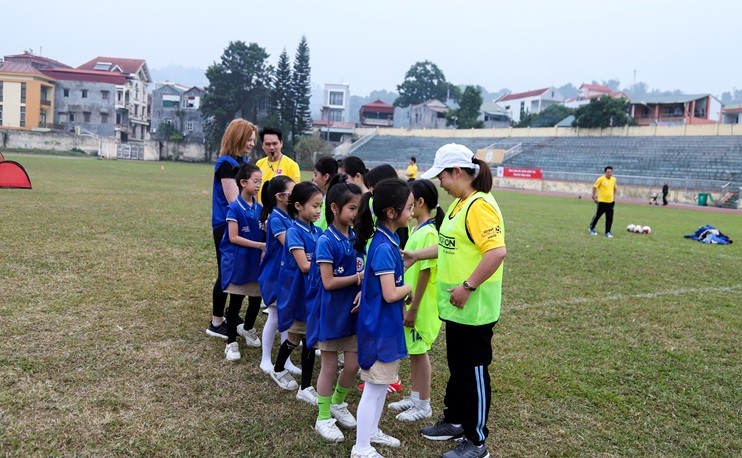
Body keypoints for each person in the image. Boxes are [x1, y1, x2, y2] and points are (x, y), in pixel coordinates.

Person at [405, 143, 507, 458]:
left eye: (443, 177)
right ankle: (455, 421)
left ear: (458, 172)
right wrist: (416, 254)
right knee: (458, 367)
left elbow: (496, 252)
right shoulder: (458, 204)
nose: (441, 183)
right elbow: (449, 246)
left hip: (474, 308)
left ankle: (477, 442)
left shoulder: (479, 206)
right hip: (457, 309)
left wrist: (468, 285)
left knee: (473, 369)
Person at [350, 178, 414, 458]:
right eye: (409, 208)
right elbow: (390, 293)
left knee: (381, 385)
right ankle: (361, 447)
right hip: (379, 327)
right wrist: (409, 288)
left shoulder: (388, 241)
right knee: (374, 388)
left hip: (385, 325)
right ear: (391, 212)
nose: (412, 212)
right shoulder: (384, 246)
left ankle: (371, 431)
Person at [309, 182, 365, 442]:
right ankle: (322, 417)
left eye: (359, 208)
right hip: (330, 313)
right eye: (352, 208)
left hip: (353, 312)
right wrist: (358, 278)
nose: (357, 213)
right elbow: (329, 282)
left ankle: (337, 402)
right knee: (330, 366)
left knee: (353, 364)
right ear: (334, 208)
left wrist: (361, 287)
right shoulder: (325, 241)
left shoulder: (356, 238)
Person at [388, 179, 443, 423]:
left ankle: (424, 405)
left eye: (409, 202)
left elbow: (426, 272)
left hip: (420, 306)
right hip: (411, 302)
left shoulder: (429, 233)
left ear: (420, 203)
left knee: (420, 354)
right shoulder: (417, 230)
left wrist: (414, 308)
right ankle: (415, 395)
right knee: (414, 352)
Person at [270, 182, 323, 405]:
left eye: (321, 206)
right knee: (296, 337)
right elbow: (303, 265)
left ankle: (304, 385)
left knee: (309, 339)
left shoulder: (317, 231)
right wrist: (328, 265)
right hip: (297, 294)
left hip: (312, 293)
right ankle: (280, 370)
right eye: (314, 206)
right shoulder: (293, 231)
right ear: (299, 206)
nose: (319, 211)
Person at [207, 119, 257, 339]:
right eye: (249, 139)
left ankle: (230, 314)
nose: (252, 144)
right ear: (238, 137)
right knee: (225, 272)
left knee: (238, 271)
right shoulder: (227, 164)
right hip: (226, 225)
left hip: (242, 224)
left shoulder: (242, 161)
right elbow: (234, 201)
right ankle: (216, 322)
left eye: (254, 140)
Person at [220, 163, 266, 361]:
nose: (258, 185)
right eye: (255, 181)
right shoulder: (234, 208)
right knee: (236, 302)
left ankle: (247, 329)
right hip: (240, 263)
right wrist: (259, 245)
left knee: (255, 299)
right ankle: (231, 342)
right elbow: (233, 237)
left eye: (260, 182)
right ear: (243, 182)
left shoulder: (260, 208)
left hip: (255, 264)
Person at [258, 176, 301, 376]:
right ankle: (265, 359)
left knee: (286, 316)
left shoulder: (289, 216)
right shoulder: (275, 218)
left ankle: (286, 359)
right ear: (280, 196)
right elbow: (290, 244)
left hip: (286, 275)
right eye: (292, 193)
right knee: (274, 315)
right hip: (274, 275)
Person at [256, 127, 302, 203]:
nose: (271, 148)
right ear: (262, 146)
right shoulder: (259, 164)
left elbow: (296, 192)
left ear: (281, 143)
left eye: (275, 143)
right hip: (261, 211)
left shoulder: (291, 165)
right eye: (267, 144)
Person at [312, 156, 342, 231]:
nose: (314, 179)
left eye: (316, 175)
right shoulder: (328, 196)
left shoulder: (333, 198)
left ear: (326, 176)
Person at [588, 166, 617, 238]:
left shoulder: (614, 179)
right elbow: (595, 187)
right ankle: (591, 228)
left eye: (611, 172)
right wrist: (594, 196)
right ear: (605, 172)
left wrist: (614, 196)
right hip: (601, 202)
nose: (609, 173)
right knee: (597, 216)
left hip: (610, 202)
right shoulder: (601, 179)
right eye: (608, 172)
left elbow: (615, 188)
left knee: (609, 218)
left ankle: (608, 232)